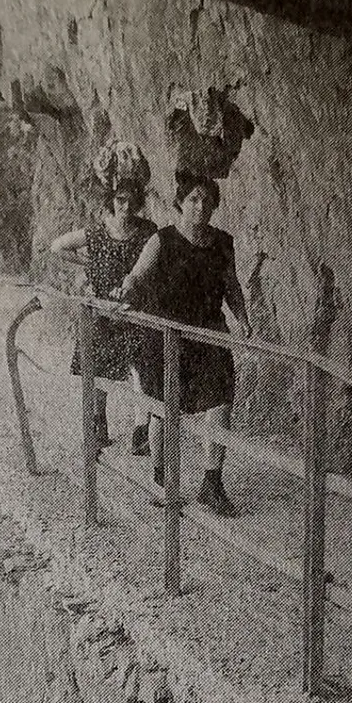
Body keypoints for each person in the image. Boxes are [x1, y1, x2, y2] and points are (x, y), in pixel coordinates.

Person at [113, 171, 251, 516]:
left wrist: (242, 318)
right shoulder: (162, 240)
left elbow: (231, 284)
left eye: (207, 201)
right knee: (164, 408)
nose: (200, 207)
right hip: (166, 337)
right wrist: (125, 291)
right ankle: (163, 482)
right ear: (180, 203)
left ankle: (211, 483)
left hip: (208, 335)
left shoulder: (222, 243)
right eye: (193, 200)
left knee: (220, 401)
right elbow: (136, 275)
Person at [50, 143, 156, 451]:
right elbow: (58, 247)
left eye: (131, 201)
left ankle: (141, 430)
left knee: (142, 371)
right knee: (98, 370)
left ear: (138, 202)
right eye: (120, 201)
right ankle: (98, 423)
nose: (125, 207)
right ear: (111, 201)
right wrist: (88, 262)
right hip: (102, 310)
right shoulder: (97, 232)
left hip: (137, 311)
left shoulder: (148, 231)